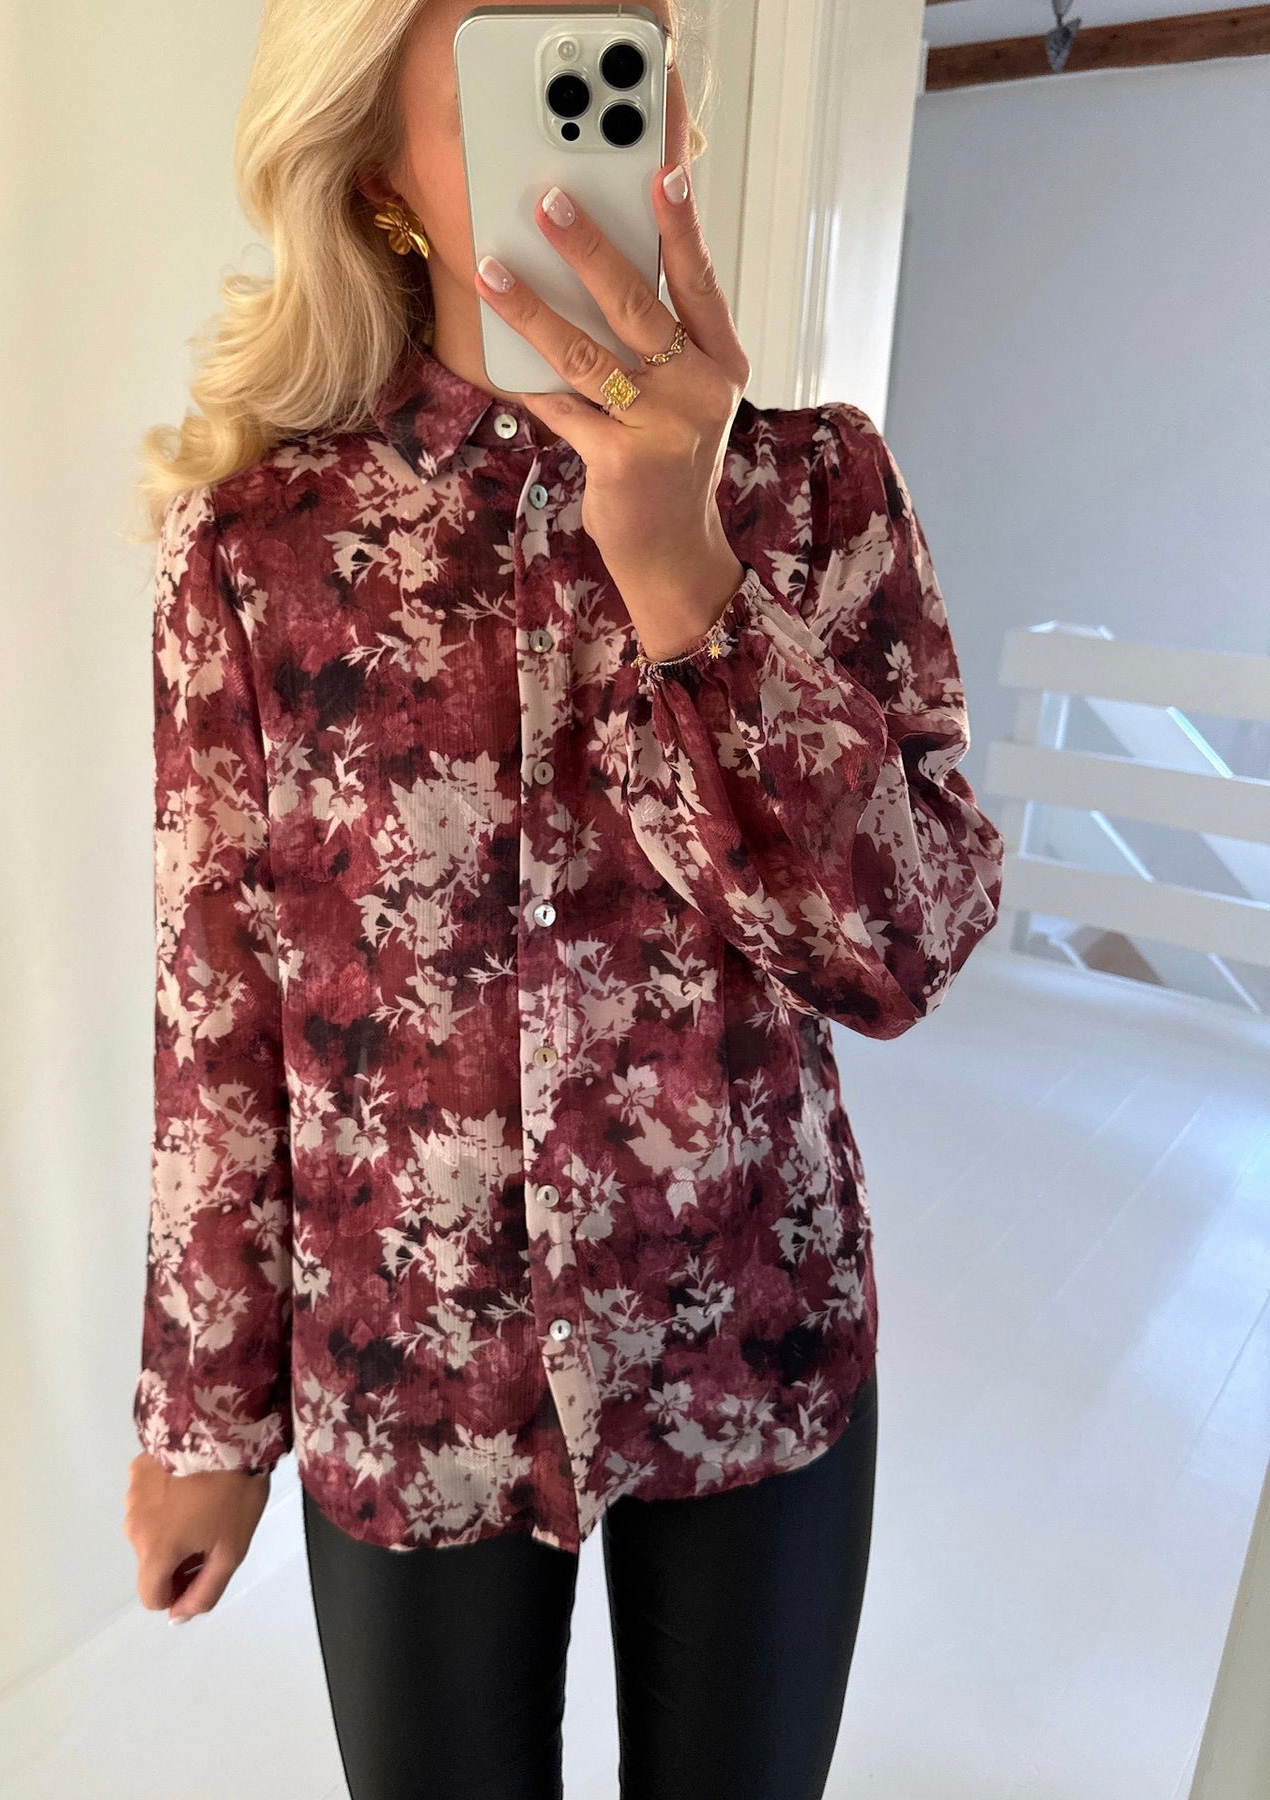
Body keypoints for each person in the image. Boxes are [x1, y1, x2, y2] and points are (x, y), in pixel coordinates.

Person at [122, 3, 1006, 1796]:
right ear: (377, 165)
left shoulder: (819, 491)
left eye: (622, 48)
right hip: (409, 1370)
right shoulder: (260, 549)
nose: (588, 120)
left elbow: (904, 952)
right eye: (510, 69)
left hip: (749, 1339)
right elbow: (220, 1015)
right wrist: (205, 1410)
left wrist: (688, 575)